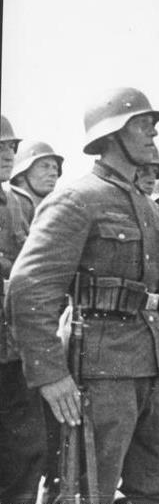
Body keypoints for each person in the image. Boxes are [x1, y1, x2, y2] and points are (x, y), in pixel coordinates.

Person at [6, 88, 159, 504]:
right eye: (142, 124)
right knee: (85, 490)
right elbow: (30, 289)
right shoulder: (77, 199)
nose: (153, 133)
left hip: (152, 365)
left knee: (155, 488)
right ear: (112, 134)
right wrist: (50, 374)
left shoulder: (146, 205)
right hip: (98, 370)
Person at [0, 115, 48, 504]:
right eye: (0, 146)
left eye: (11, 146)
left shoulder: (21, 205)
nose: (7, 153)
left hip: (15, 350)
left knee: (26, 449)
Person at [9, 140, 63, 224]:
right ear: (21, 175)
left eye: (55, 168)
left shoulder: (58, 215)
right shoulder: (6, 213)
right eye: (45, 166)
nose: (54, 173)